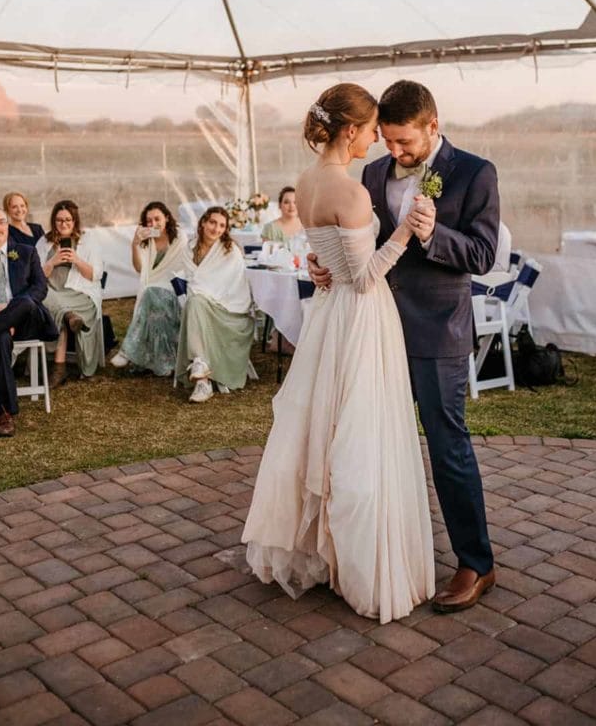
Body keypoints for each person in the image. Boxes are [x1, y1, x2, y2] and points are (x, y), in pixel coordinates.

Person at [243, 84, 435, 624]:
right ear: (350, 130)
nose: (376, 139)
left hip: (328, 316)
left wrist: (316, 266)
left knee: (323, 429)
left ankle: (325, 547)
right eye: (373, 129)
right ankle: (358, 558)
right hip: (358, 319)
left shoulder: (305, 183)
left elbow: (322, 254)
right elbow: (364, 275)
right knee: (359, 434)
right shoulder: (351, 193)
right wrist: (405, 231)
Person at [312, 79, 499, 613]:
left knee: (446, 445)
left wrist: (434, 234)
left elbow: (483, 254)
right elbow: (359, 242)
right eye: (387, 141)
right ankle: (380, 554)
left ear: (432, 125)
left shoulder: (474, 173)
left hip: (437, 331)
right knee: (370, 441)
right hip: (375, 328)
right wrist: (326, 262)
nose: (393, 152)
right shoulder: (370, 173)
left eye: (404, 143)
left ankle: (476, 564)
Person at [0, 206, 57, 437]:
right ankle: (5, 415)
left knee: (27, 303)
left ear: (7, 226)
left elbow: (40, 288)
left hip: (26, 322)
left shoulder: (27, 252)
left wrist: (10, 310)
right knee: (0, 339)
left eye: (1, 222)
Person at [175, 206, 254, 402]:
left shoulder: (230, 251)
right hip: (201, 305)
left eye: (221, 226)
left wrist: (202, 295)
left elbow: (230, 287)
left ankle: (201, 373)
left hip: (229, 309)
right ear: (203, 222)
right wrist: (201, 295)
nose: (216, 229)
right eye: (212, 223)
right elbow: (196, 283)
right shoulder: (189, 249)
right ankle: (202, 379)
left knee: (195, 302)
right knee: (195, 302)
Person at [111, 201, 188, 376]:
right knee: (151, 297)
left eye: (157, 219)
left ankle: (127, 352)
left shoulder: (179, 237)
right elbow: (140, 269)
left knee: (151, 294)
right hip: (151, 290)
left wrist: (157, 286)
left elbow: (178, 272)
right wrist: (135, 245)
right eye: (149, 221)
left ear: (167, 218)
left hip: (174, 289)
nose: (153, 224)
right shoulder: (146, 240)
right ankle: (163, 363)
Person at [36, 200, 104, 387]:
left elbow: (95, 275)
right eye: (59, 220)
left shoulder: (88, 240)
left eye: (68, 220)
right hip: (50, 292)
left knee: (58, 311)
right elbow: (35, 277)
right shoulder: (44, 241)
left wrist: (77, 260)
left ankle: (59, 369)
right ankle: (68, 316)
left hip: (79, 294)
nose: (63, 224)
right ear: (53, 221)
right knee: (51, 302)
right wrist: (53, 262)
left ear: (75, 221)